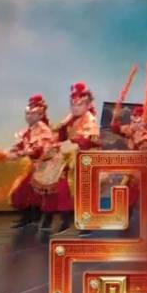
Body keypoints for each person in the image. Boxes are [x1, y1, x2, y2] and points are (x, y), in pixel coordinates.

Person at [51, 82, 102, 236]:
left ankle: (86, 225)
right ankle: (65, 221)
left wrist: (75, 141)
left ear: (87, 105)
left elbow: (90, 141)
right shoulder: (70, 120)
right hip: (69, 159)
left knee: (84, 192)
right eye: (73, 104)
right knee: (63, 190)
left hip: (85, 160)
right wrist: (61, 131)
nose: (75, 108)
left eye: (79, 104)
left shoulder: (90, 120)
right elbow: (61, 138)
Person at [0, 94, 55, 229]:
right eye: (27, 114)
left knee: (30, 193)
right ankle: (29, 219)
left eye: (33, 114)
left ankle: (35, 219)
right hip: (34, 166)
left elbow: (37, 150)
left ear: (40, 115)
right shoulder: (28, 131)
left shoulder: (44, 131)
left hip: (45, 167)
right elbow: (20, 146)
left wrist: (19, 153)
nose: (29, 117)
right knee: (21, 193)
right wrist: (8, 152)